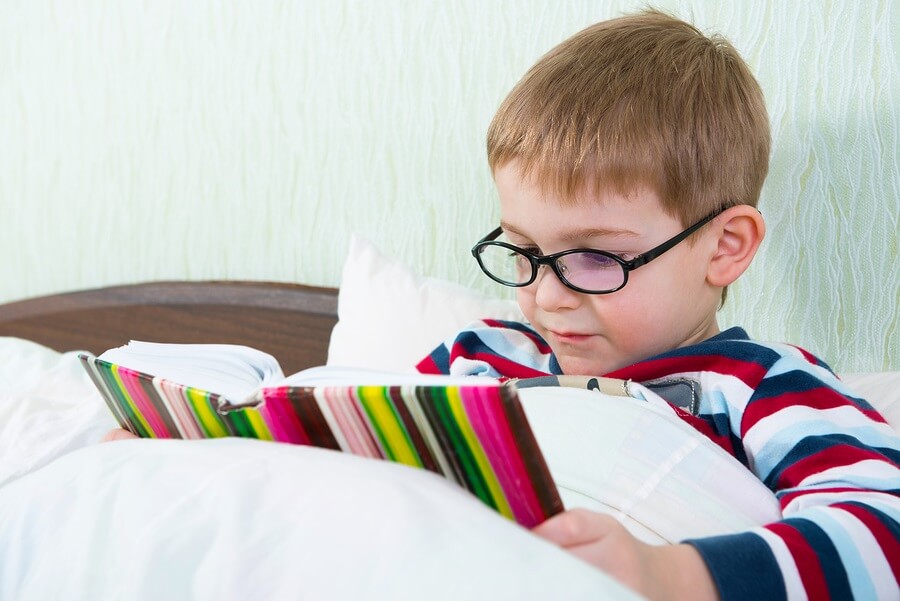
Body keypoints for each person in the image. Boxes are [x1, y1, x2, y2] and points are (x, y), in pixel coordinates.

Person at [416, 9, 900, 601]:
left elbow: (884, 535)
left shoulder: (760, 388)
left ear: (725, 248)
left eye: (595, 257)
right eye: (524, 251)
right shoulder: (479, 356)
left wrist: (664, 575)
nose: (544, 296)